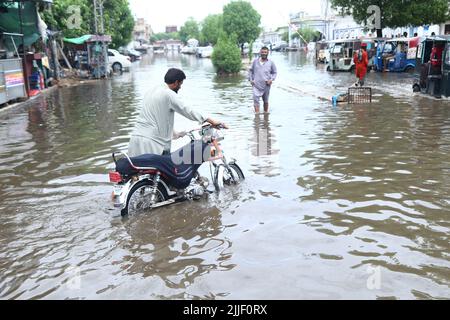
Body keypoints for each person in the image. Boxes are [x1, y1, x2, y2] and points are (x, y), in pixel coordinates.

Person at [127, 68, 226, 157]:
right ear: (176, 82)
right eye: (180, 84)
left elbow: (159, 117)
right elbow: (187, 110)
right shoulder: (168, 94)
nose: (180, 87)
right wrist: (212, 121)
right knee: (166, 173)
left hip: (136, 139)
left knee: (141, 174)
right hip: (153, 143)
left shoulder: (152, 91)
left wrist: (176, 134)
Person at [248, 46, 278, 113]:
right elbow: (250, 71)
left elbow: (275, 72)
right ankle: (257, 115)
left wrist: (271, 79)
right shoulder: (255, 61)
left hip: (266, 85)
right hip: (256, 85)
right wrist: (251, 80)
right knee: (255, 100)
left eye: (265, 52)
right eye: (262, 52)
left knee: (266, 100)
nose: (264, 53)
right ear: (260, 53)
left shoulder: (271, 62)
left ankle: (266, 114)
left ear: (268, 53)